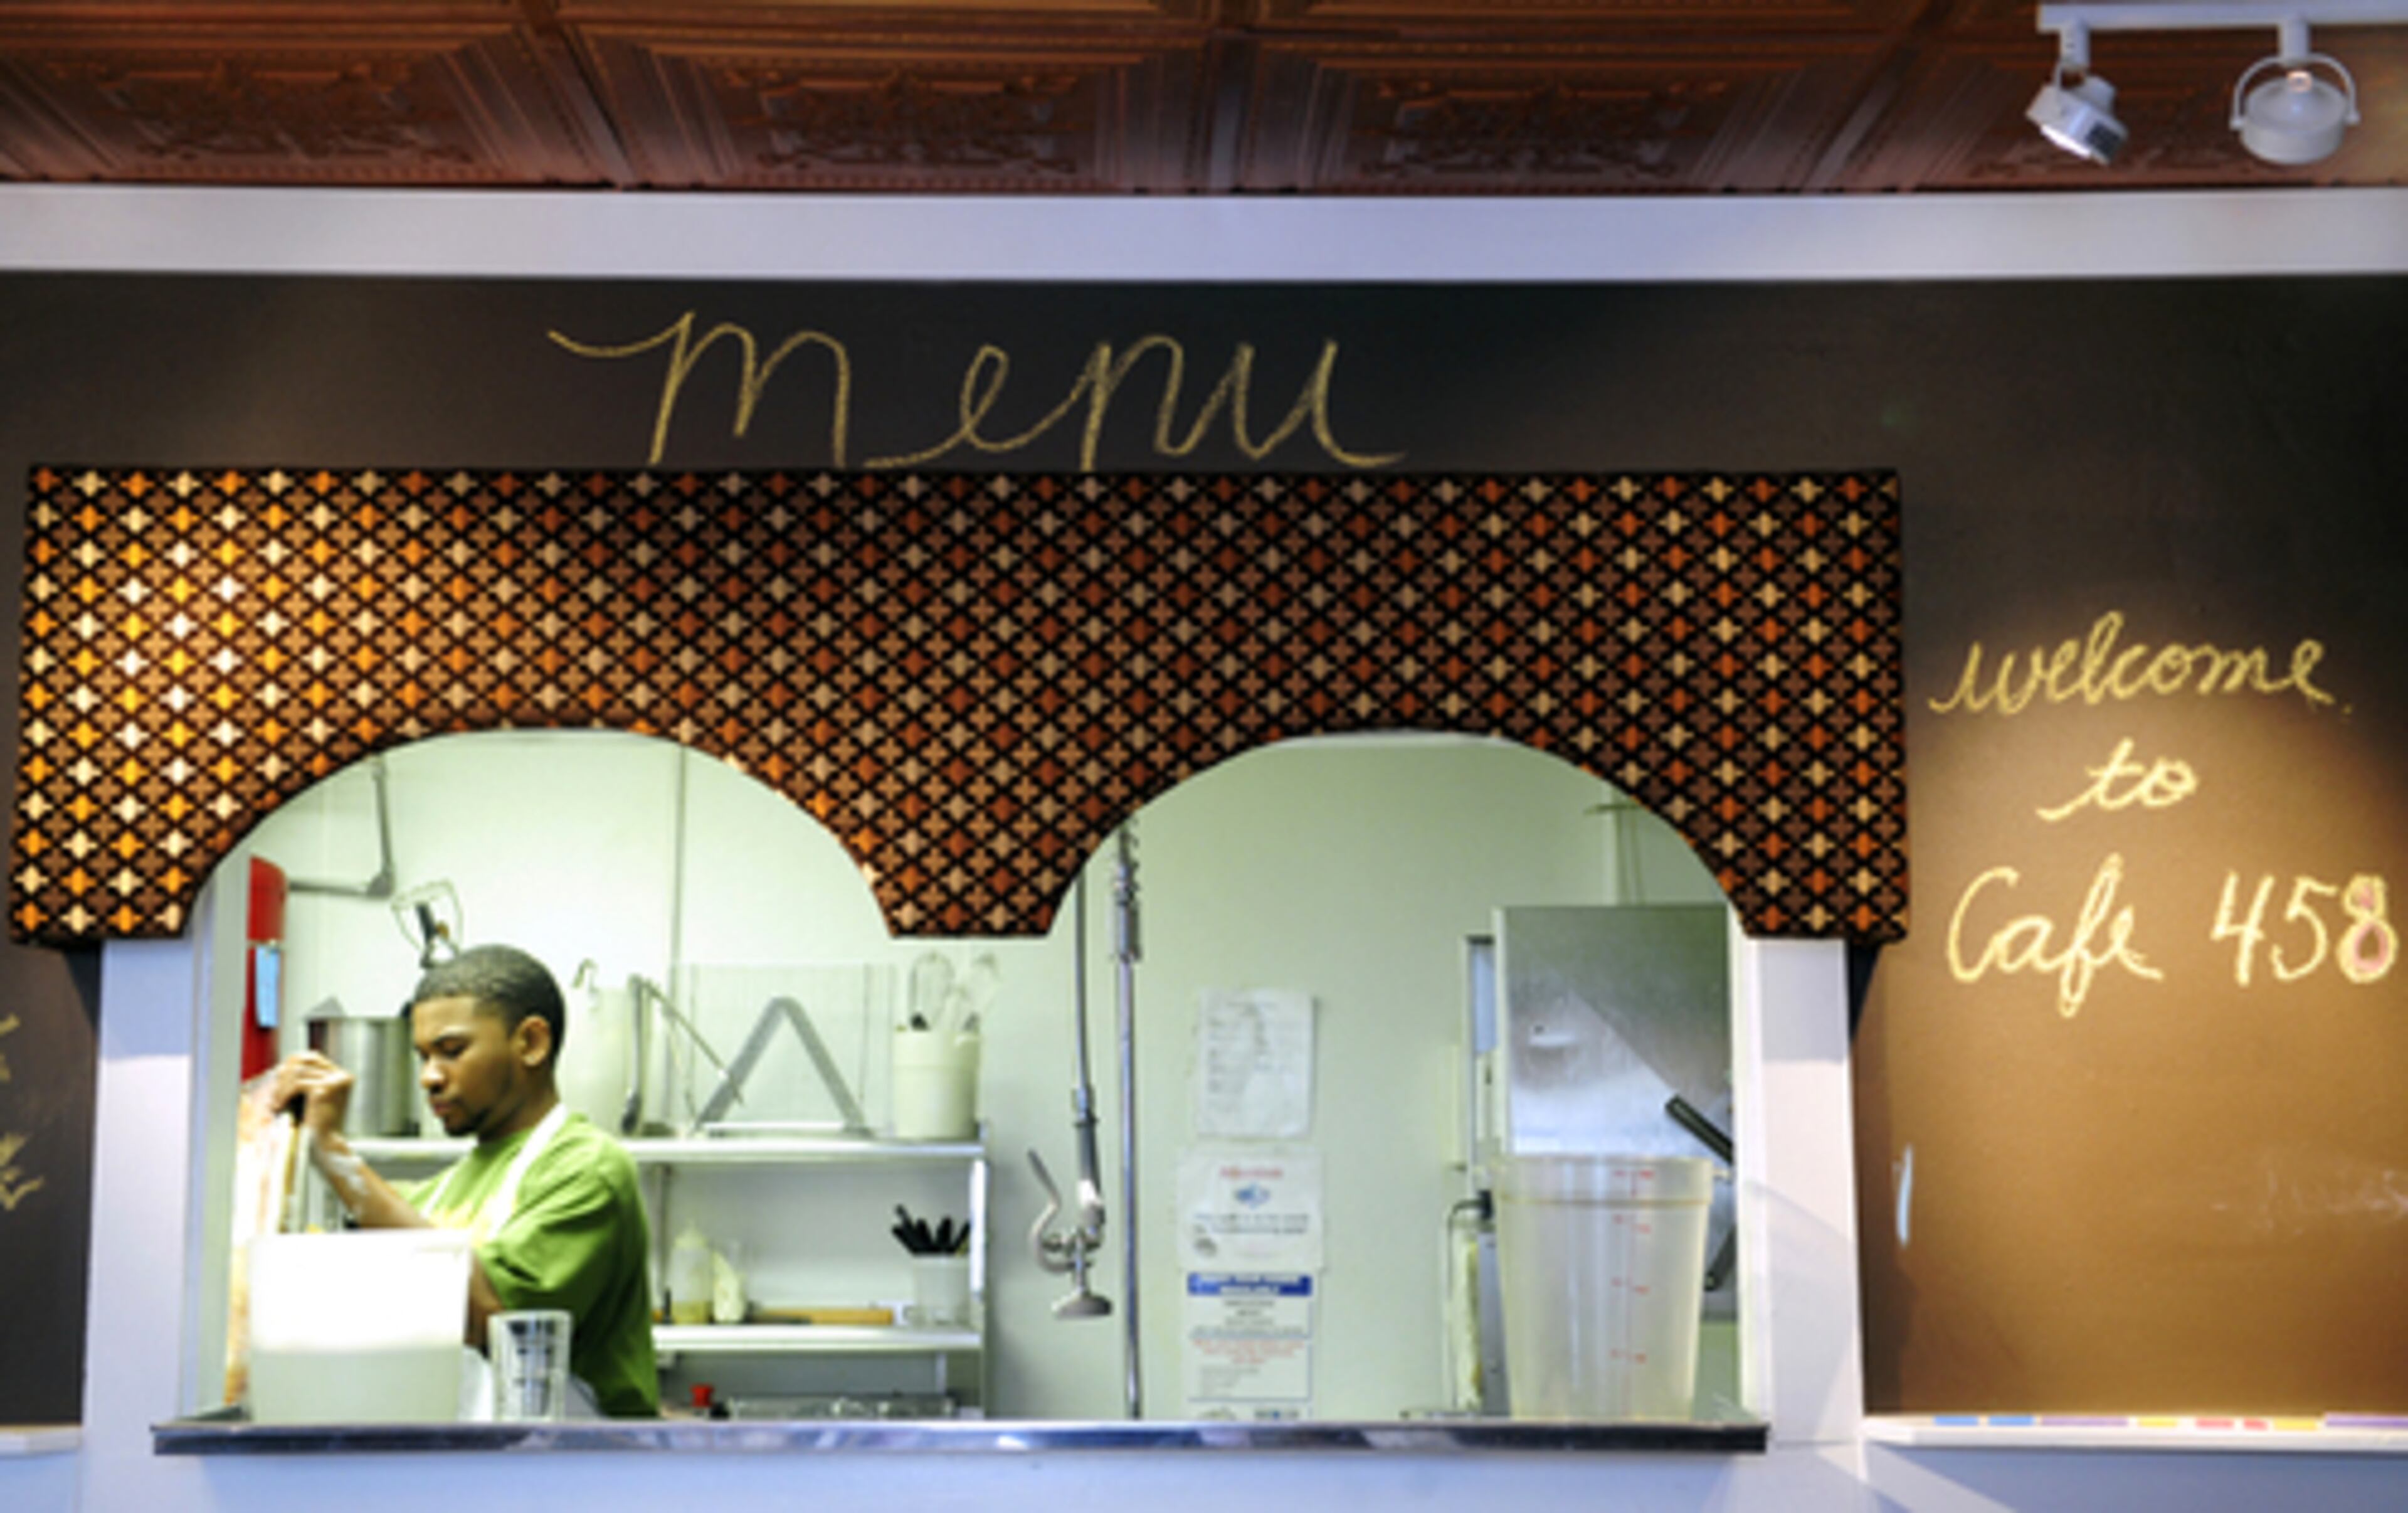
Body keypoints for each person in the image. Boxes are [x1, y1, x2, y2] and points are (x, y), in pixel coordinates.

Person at [271, 943, 658, 1417]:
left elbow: (492, 1317)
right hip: (472, 1472)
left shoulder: (587, 1168)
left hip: (571, 1471)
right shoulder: (443, 1189)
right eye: (423, 1057)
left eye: (452, 1052)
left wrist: (332, 1152)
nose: (429, 1078)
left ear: (532, 1043)